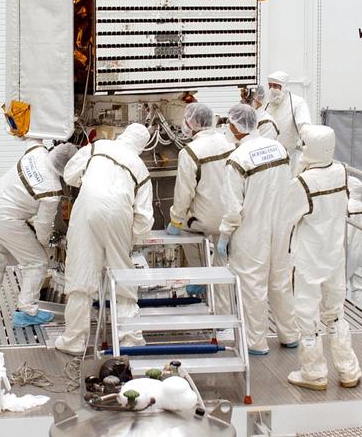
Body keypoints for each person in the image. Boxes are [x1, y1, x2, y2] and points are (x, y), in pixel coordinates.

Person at [56, 124, 154, 357]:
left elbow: (69, 174)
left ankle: (74, 342)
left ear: (123, 135)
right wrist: (129, 240)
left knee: (80, 276)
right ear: (141, 146)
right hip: (120, 215)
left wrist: (88, 181)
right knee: (123, 278)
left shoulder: (98, 147)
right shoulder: (140, 168)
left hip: (87, 208)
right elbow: (144, 217)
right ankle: (129, 340)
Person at [283, 125, 362, 390]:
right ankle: (348, 369)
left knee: (307, 315)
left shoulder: (303, 182)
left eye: (304, 145)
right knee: (336, 313)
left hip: (308, 258)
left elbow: (287, 217)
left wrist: (297, 173)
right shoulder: (342, 172)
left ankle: (314, 373)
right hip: (334, 254)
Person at [219, 103, 298, 355]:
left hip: (251, 232)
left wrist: (224, 236)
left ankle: (256, 343)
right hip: (281, 227)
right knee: (280, 281)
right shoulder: (279, 149)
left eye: (229, 125)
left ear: (237, 127)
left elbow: (233, 207)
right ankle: (289, 334)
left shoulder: (238, 159)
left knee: (253, 286)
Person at [0, 143, 78, 327]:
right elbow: (43, 225)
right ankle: (26, 311)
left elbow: (32, 138)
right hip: (5, 219)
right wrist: (43, 245)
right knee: (37, 262)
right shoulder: (51, 189)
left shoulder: (36, 152)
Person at [167, 102, 234, 239]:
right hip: (230, 217)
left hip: (204, 222)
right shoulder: (228, 142)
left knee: (185, 233)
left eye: (186, 120)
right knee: (221, 257)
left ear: (193, 122)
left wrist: (176, 221)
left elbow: (184, 193)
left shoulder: (189, 152)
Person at [261, 71, 311, 163]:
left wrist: (309, 142)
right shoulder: (267, 103)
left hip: (290, 157)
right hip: (267, 157)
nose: (272, 89)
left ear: (284, 86)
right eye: (270, 85)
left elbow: (304, 126)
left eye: (275, 86)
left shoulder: (297, 102)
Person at [345, 175, 362, 309]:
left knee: (339, 286)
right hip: (361, 252)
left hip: (346, 252)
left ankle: (339, 319)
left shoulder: (346, 206)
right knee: (360, 286)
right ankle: (361, 313)